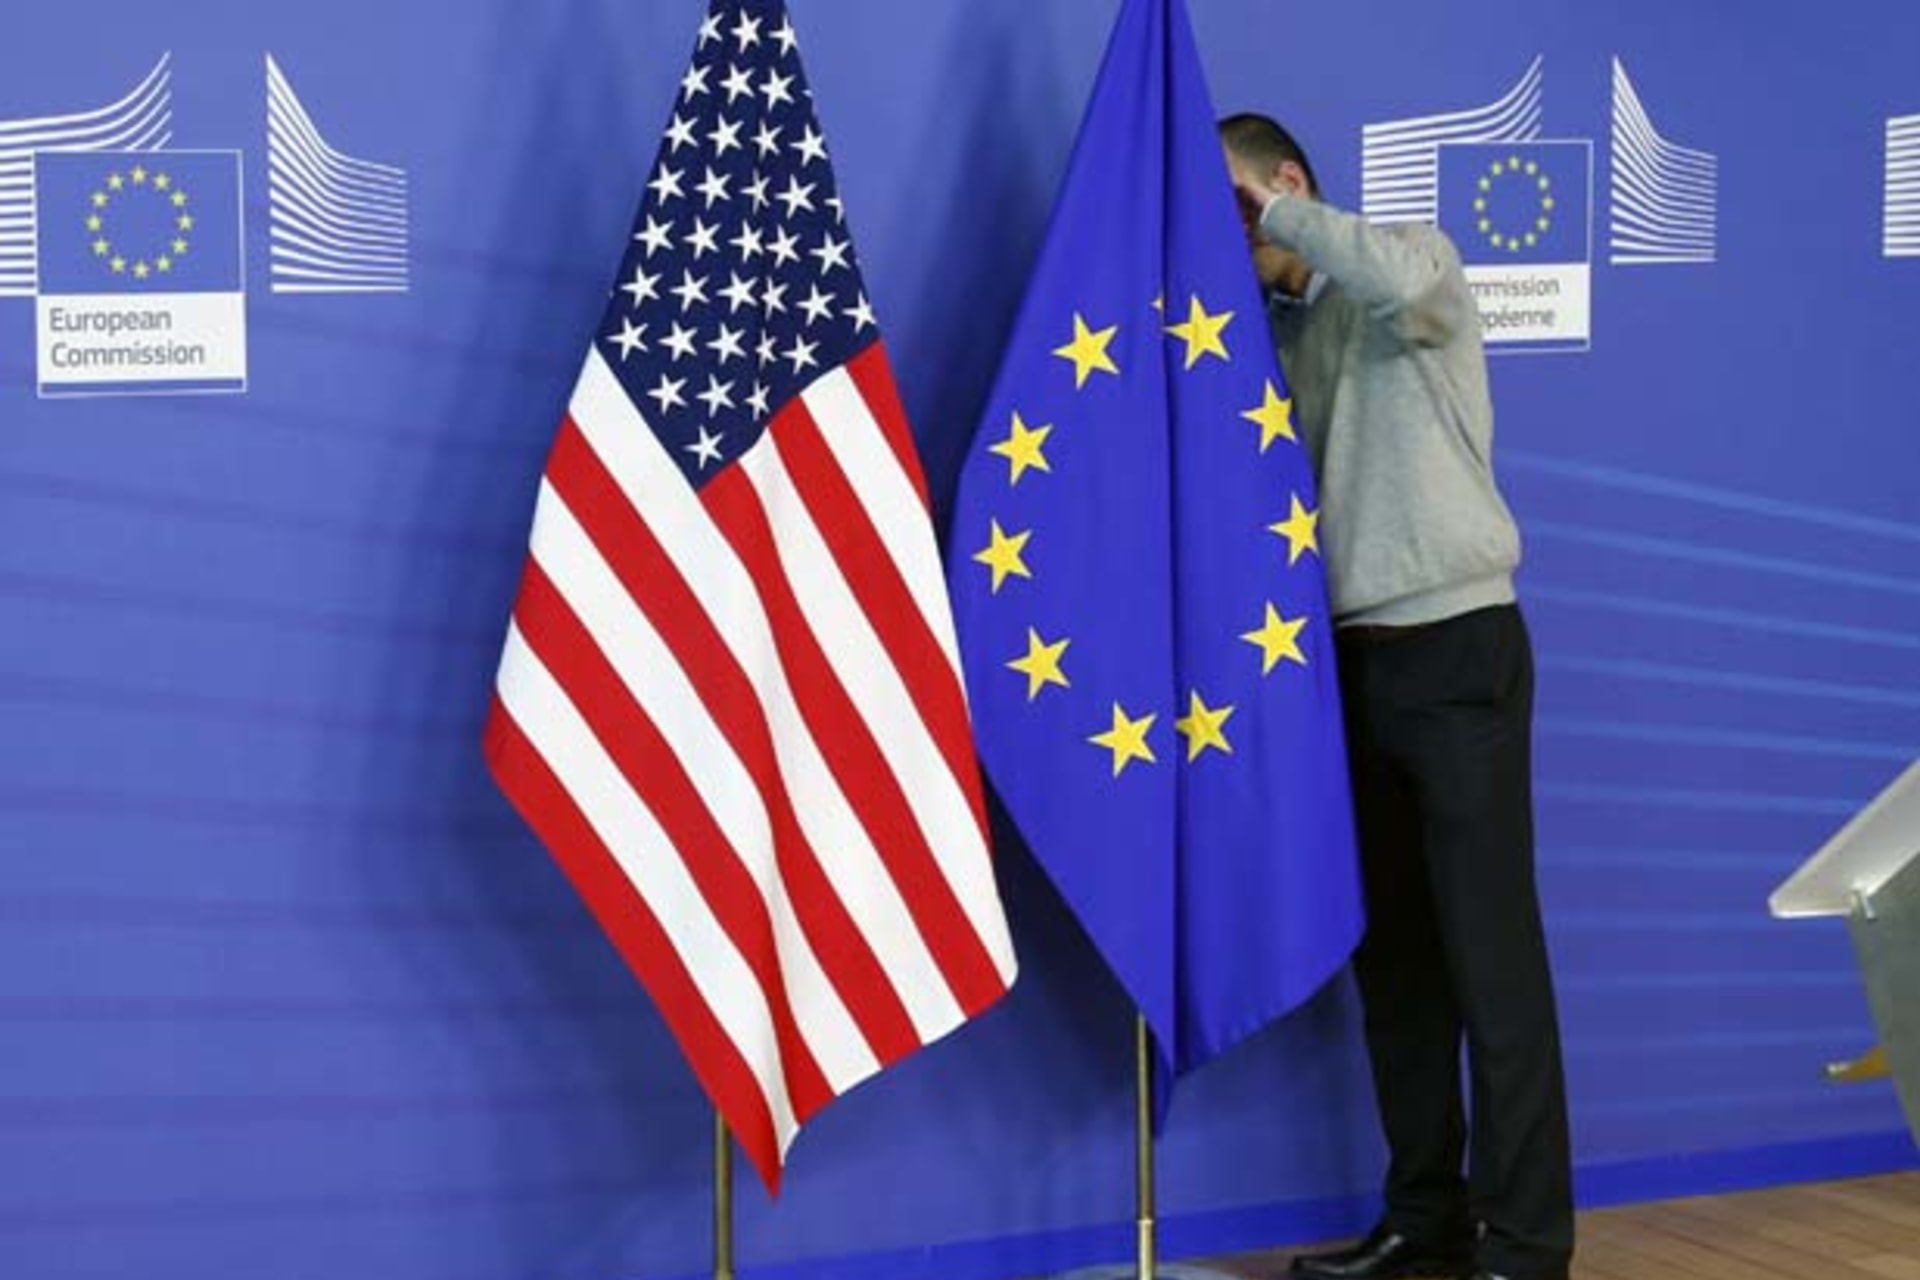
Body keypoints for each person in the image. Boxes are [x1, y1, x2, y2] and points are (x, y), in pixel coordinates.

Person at [1217, 113, 1574, 1280]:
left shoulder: (1418, 267)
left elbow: (1386, 269)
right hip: (1354, 661)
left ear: (1290, 187)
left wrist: (1273, 212)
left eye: (1243, 208)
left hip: (1459, 643)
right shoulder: (1287, 335)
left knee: (1492, 963)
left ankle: (1524, 1243)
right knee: (1401, 970)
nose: (1241, 235)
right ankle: (1426, 1217)